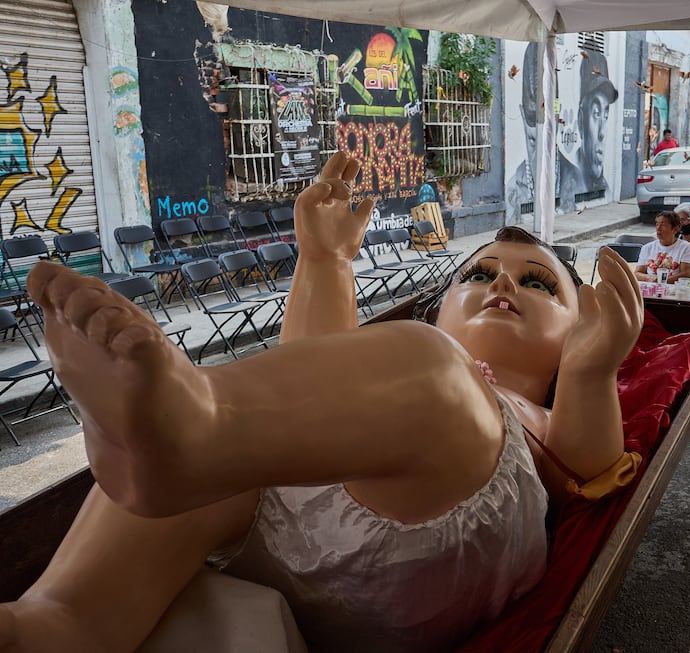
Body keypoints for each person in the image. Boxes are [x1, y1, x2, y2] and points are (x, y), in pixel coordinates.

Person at [0, 152, 644, 652]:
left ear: (570, 335)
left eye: (539, 284)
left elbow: (587, 468)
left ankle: (190, 432)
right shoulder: (387, 374)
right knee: (250, 440)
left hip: (439, 563)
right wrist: (325, 257)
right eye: (476, 273)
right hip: (291, 511)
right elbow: (312, 360)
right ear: (441, 307)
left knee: (423, 375)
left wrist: (591, 373)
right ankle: (61, 619)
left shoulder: (507, 400)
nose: (501, 280)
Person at [505, 43, 579, 223]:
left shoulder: (574, 177)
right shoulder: (513, 188)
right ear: (523, 117)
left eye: (546, 138)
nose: (540, 155)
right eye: (532, 141)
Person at [573, 51, 619, 193]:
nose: (602, 133)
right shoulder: (569, 183)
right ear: (581, 122)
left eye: (605, 115)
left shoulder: (608, 189)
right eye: (596, 113)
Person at [634, 210, 690, 284]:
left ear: (675, 229)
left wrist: (660, 281)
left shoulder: (685, 247)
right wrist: (649, 278)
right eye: (657, 224)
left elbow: (687, 274)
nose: (658, 228)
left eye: (663, 225)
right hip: (651, 288)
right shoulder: (647, 248)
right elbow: (637, 273)